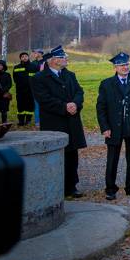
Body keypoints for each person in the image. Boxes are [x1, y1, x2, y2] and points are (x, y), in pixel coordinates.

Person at [30, 46, 86, 198]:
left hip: (72, 121)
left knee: (72, 155)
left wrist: (75, 103)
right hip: (54, 123)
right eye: (63, 57)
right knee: (56, 156)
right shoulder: (39, 78)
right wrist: (64, 107)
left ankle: (72, 186)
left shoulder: (70, 75)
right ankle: (56, 188)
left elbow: (79, 92)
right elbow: (44, 99)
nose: (66, 59)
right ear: (53, 60)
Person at [96, 52, 130, 200]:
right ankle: (110, 189)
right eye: (121, 65)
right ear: (115, 67)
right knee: (112, 159)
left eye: (126, 64)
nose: (125, 67)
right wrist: (105, 127)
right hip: (114, 127)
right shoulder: (107, 84)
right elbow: (101, 108)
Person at [12, 53, 35, 126]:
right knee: (20, 105)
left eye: (26, 56)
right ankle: (21, 121)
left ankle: (28, 120)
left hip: (30, 90)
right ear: (20, 58)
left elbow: (36, 78)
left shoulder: (34, 67)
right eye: (22, 57)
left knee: (30, 105)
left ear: (28, 57)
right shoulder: (16, 67)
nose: (24, 58)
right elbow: (15, 78)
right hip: (20, 90)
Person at [0, 60, 12, 124]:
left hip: (4, 95)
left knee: (4, 110)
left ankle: (4, 123)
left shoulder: (7, 75)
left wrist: (3, 91)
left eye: (1, 65)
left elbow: (9, 84)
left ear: (4, 66)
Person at [31, 49, 44, 127]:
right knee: (37, 104)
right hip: (36, 86)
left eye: (36, 52)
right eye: (34, 52)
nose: (34, 54)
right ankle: (37, 122)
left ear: (41, 54)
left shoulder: (46, 62)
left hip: (45, 85)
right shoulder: (33, 63)